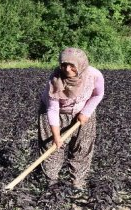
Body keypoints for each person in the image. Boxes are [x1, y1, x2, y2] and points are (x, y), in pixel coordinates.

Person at [38, 47, 104, 191]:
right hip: (56, 112)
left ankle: (77, 182)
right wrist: (56, 136)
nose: (67, 69)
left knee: (82, 146)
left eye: (72, 65)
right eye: (64, 65)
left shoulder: (94, 75)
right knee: (52, 147)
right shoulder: (55, 79)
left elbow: (98, 94)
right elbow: (52, 109)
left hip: (83, 111)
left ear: (80, 64)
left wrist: (86, 112)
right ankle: (52, 181)